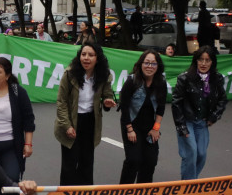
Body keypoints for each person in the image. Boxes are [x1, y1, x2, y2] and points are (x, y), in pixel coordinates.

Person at [54, 43, 116, 186]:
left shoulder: (104, 76)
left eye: (91, 55)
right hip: (70, 121)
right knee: (69, 165)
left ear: (97, 58)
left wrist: (107, 101)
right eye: (83, 54)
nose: (86, 58)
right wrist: (67, 126)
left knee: (87, 163)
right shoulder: (69, 74)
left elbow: (107, 95)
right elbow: (61, 102)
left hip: (90, 122)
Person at [171, 45, 228, 180]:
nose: (203, 63)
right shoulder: (184, 78)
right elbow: (176, 102)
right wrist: (181, 125)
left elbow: (222, 99)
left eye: (207, 60)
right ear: (195, 61)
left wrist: (214, 116)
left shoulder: (217, 78)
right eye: (200, 60)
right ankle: (188, 186)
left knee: (201, 154)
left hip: (202, 122)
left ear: (212, 62)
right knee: (191, 152)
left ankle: (192, 180)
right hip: (187, 121)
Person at [118, 50, 167, 184]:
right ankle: (123, 191)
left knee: (150, 161)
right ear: (141, 64)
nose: (149, 66)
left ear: (158, 66)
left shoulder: (161, 83)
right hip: (131, 125)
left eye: (153, 64)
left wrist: (156, 128)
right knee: (134, 160)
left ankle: (143, 191)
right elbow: (124, 106)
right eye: (146, 63)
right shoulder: (132, 81)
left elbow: (161, 107)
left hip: (150, 127)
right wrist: (129, 129)